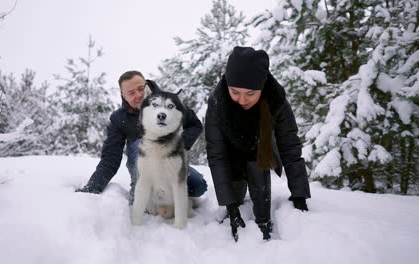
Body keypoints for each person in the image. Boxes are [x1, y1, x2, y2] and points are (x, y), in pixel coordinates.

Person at [205, 47, 311, 241]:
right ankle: (234, 204)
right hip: (231, 155)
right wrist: (230, 205)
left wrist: (299, 194)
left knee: (259, 186)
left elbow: (290, 147)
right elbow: (216, 153)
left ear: (262, 88)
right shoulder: (217, 101)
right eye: (235, 92)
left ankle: (263, 222)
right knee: (234, 197)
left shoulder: (276, 100)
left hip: (259, 152)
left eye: (250, 93)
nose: (242, 100)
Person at [77, 71, 208, 205]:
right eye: (131, 93)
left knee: (198, 186)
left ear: (147, 87)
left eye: (140, 89)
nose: (139, 95)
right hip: (141, 164)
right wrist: (93, 186)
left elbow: (195, 125)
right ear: (123, 96)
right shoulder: (119, 119)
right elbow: (111, 158)